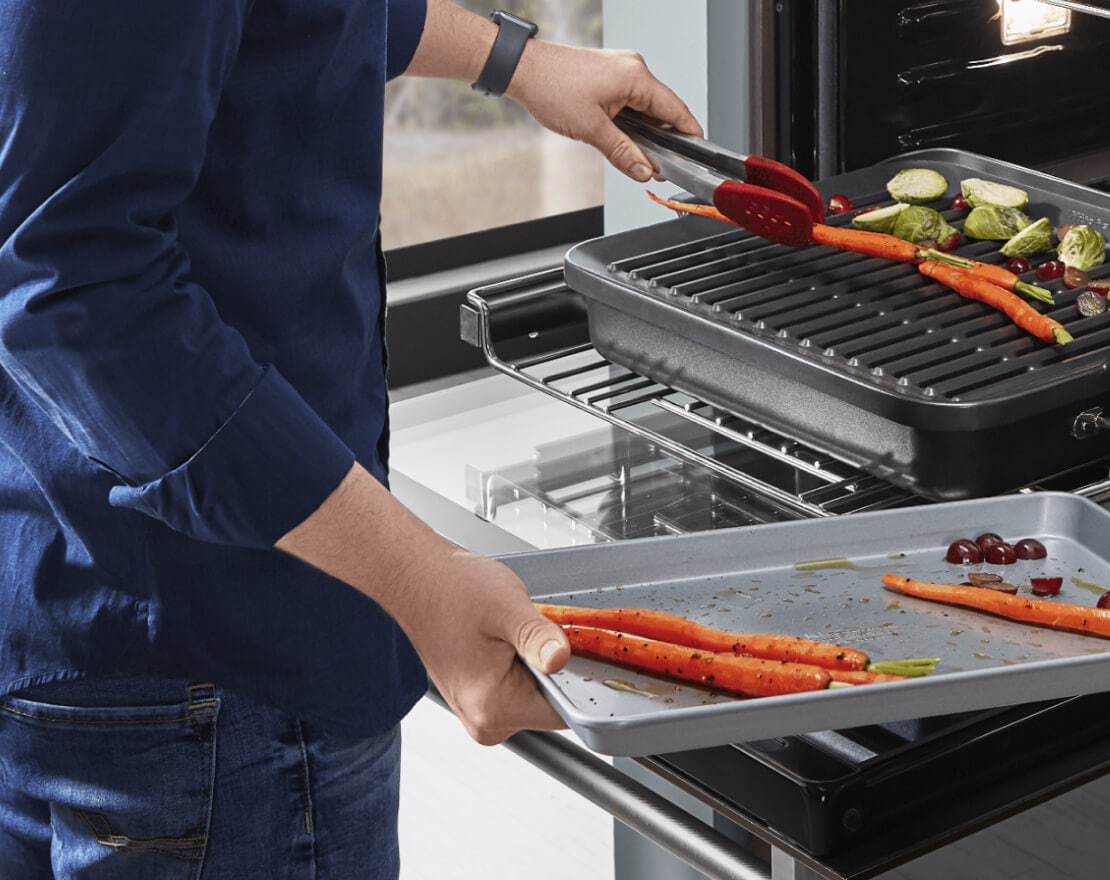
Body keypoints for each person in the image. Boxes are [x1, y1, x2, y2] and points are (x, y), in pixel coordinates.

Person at [0, 0, 701, 876]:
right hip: (210, 656)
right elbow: (77, 291)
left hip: (103, 599)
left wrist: (515, 59)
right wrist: (420, 579)